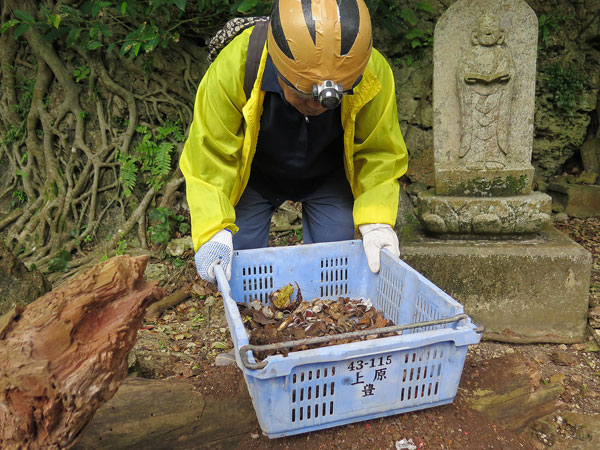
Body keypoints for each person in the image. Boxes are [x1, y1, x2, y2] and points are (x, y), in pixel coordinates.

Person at [180, 0, 408, 284]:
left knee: (333, 267)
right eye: (304, 94)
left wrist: (377, 221)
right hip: (255, 176)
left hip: (328, 175)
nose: (318, 105)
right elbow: (208, 153)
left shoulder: (370, 71)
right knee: (239, 265)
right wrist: (213, 230)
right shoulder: (238, 64)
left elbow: (379, 152)